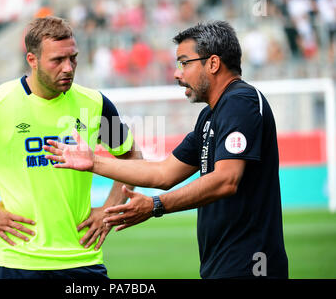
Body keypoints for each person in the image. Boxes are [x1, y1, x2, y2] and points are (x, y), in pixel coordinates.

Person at [43, 21, 289, 279]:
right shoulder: (210, 116)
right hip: (221, 264)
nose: (177, 73)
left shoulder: (241, 101)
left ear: (213, 64)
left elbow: (226, 180)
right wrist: (93, 162)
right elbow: (163, 173)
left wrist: (155, 206)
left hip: (251, 266)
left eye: (184, 62)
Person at [0, 16, 141, 279]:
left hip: (83, 258)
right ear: (32, 60)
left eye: (74, 58)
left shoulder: (95, 104)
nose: (68, 68)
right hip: (19, 262)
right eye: (57, 60)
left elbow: (132, 154)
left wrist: (110, 208)